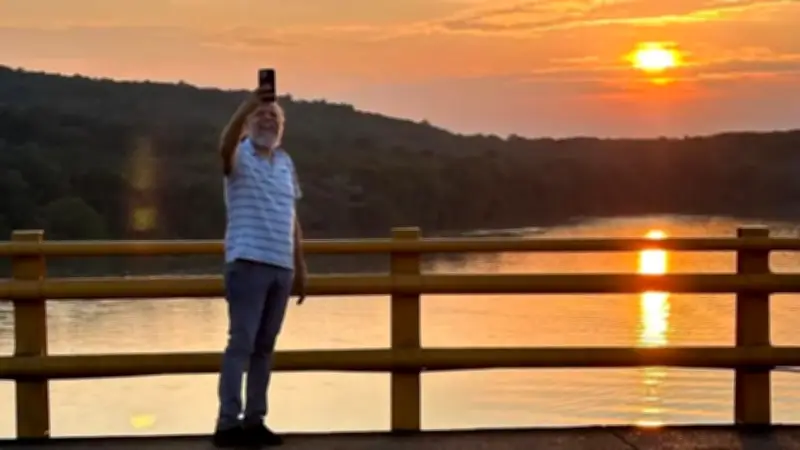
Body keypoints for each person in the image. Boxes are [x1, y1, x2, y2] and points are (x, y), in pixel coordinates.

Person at [212, 87, 307, 448]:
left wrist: (300, 266)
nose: (268, 120)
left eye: (275, 117)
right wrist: (247, 104)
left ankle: (255, 419)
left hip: (280, 266)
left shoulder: (285, 163)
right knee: (241, 343)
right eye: (261, 116)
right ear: (248, 124)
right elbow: (223, 147)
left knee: (265, 347)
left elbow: (292, 218)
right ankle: (227, 423)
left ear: (282, 128)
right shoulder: (239, 155)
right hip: (248, 262)